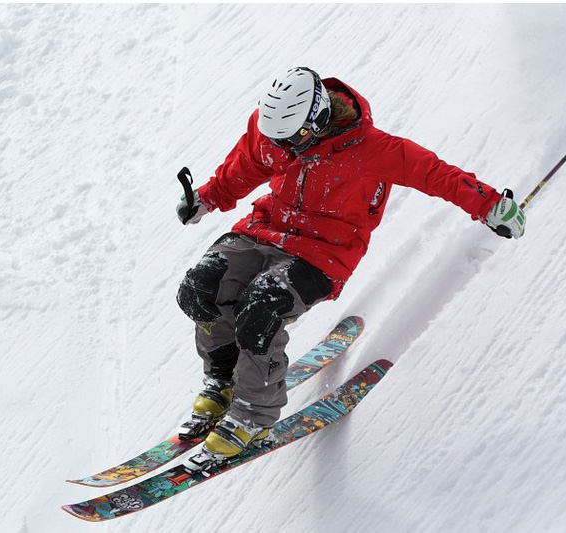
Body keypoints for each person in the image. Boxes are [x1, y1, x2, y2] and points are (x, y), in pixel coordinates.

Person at [175, 67, 525, 463]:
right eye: (277, 139)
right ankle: (223, 378)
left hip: (322, 253)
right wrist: (207, 197)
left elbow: (437, 175)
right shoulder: (275, 128)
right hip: (265, 230)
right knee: (200, 287)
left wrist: (490, 204)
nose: (284, 147)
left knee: (259, 309)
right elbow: (249, 163)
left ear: (318, 117)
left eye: (292, 139)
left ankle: (254, 413)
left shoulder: (374, 149)